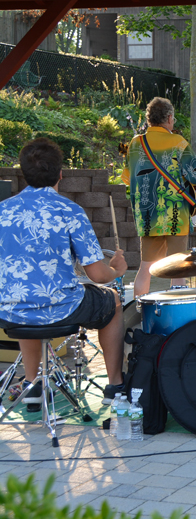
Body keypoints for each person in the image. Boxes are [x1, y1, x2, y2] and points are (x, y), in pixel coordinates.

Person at [0, 138, 126, 405]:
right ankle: (115, 385)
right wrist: (116, 270)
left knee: (26, 303)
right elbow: (97, 275)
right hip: (61, 308)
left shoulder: (3, 210)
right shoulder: (70, 211)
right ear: (60, 174)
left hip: (8, 311)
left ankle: (33, 384)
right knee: (113, 301)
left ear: (24, 173)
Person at [122, 96, 196, 297]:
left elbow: (127, 178)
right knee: (178, 267)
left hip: (148, 215)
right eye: (173, 118)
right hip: (176, 215)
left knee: (145, 267)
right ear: (168, 118)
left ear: (149, 119)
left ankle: (139, 307)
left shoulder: (136, 143)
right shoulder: (178, 142)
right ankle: (176, 312)